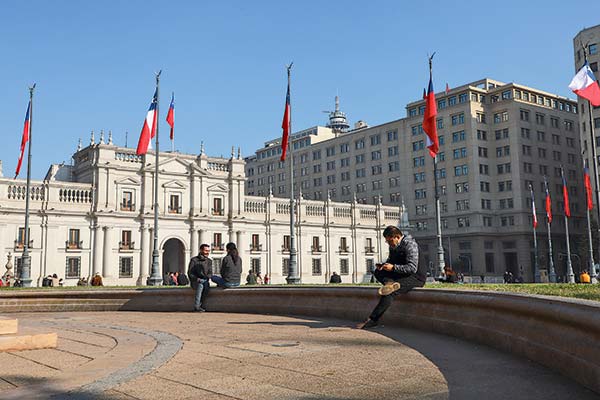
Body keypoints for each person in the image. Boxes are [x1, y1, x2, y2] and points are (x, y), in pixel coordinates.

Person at [357, 226, 425, 329]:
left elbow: (412, 268)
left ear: (397, 237)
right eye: (387, 242)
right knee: (378, 272)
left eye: (390, 241)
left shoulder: (410, 245)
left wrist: (393, 267)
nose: (389, 244)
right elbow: (391, 261)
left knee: (389, 292)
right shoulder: (393, 246)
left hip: (415, 277)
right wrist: (384, 266)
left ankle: (373, 319)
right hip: (400, 274)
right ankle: (389, 283)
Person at [188, 244, 213, 312]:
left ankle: (200, 305)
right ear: (201, 250)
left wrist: (207, 277)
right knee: (200, 285)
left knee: (205, 286)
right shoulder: (194, 260)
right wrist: (197, 279)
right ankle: (197, 306)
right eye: (206, 250)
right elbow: (190, 273)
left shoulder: (209, 261)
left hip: (205, 280)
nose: (207, 252)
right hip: (195, 281)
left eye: (208, 250)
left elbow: (210, 272)